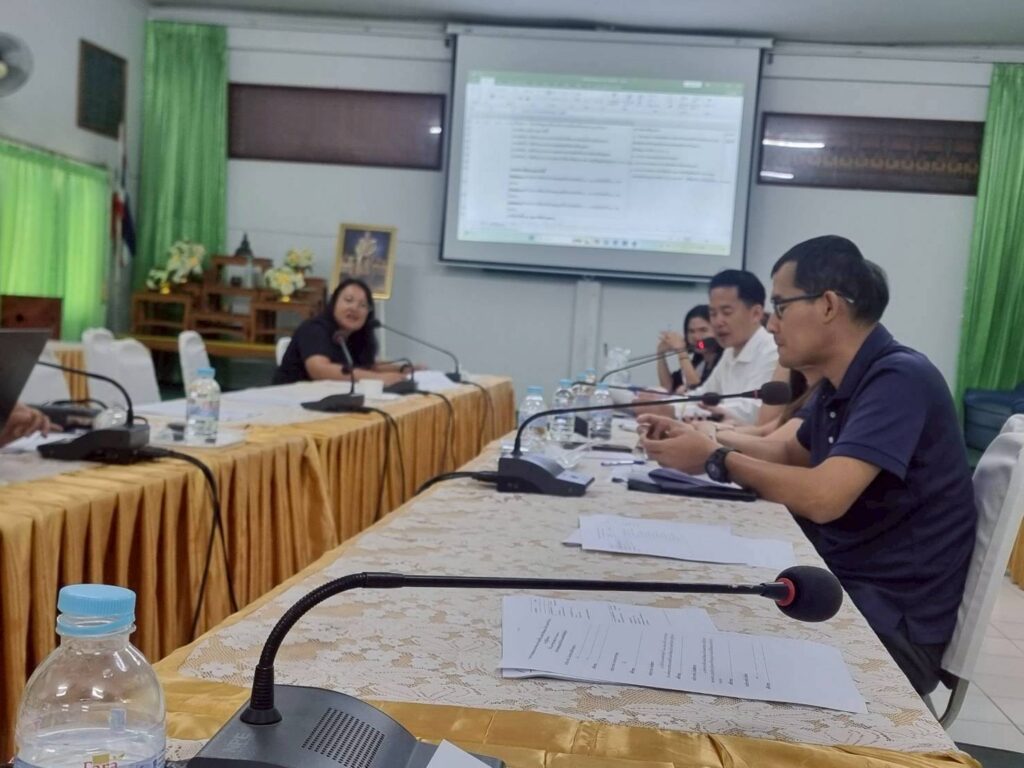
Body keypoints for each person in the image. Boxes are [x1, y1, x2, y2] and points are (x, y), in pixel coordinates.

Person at [638, 235, 976, 696]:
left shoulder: (898, 378)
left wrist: (715, 459)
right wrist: (700, 441)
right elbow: (786, 453)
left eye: (780, 307)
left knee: (693, 654)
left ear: (829, 305)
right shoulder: (843, 383)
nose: (772, 324)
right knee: (686, 608)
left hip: (888, 624)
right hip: (843, 585)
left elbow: (823, 497)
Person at [636, 269, 778, 424]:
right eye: (713, 313)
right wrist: (664, 404)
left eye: (727, 312)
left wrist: (672, 411)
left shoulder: (772, 351)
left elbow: (751, 412)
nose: (717, 322)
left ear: (756, 314)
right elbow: (703, 395)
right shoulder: (730, 351)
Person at [273, 278, 418, 386]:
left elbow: (366, 366)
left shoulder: (353, 337)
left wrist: (403, 369)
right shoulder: (314, 328)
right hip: (288, 401)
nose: (354, 308)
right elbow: (319, 370)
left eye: (362, 305)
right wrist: (378, 379)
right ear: (334, 303)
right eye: (348, 300)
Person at [656, 305, 720, 392]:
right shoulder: (698, 360)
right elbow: (667, 388)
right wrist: (660, 354)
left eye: (703, 330)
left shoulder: (723, 358)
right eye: (691, 331)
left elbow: (695, 386)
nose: (696, 337)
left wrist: (681, 350)